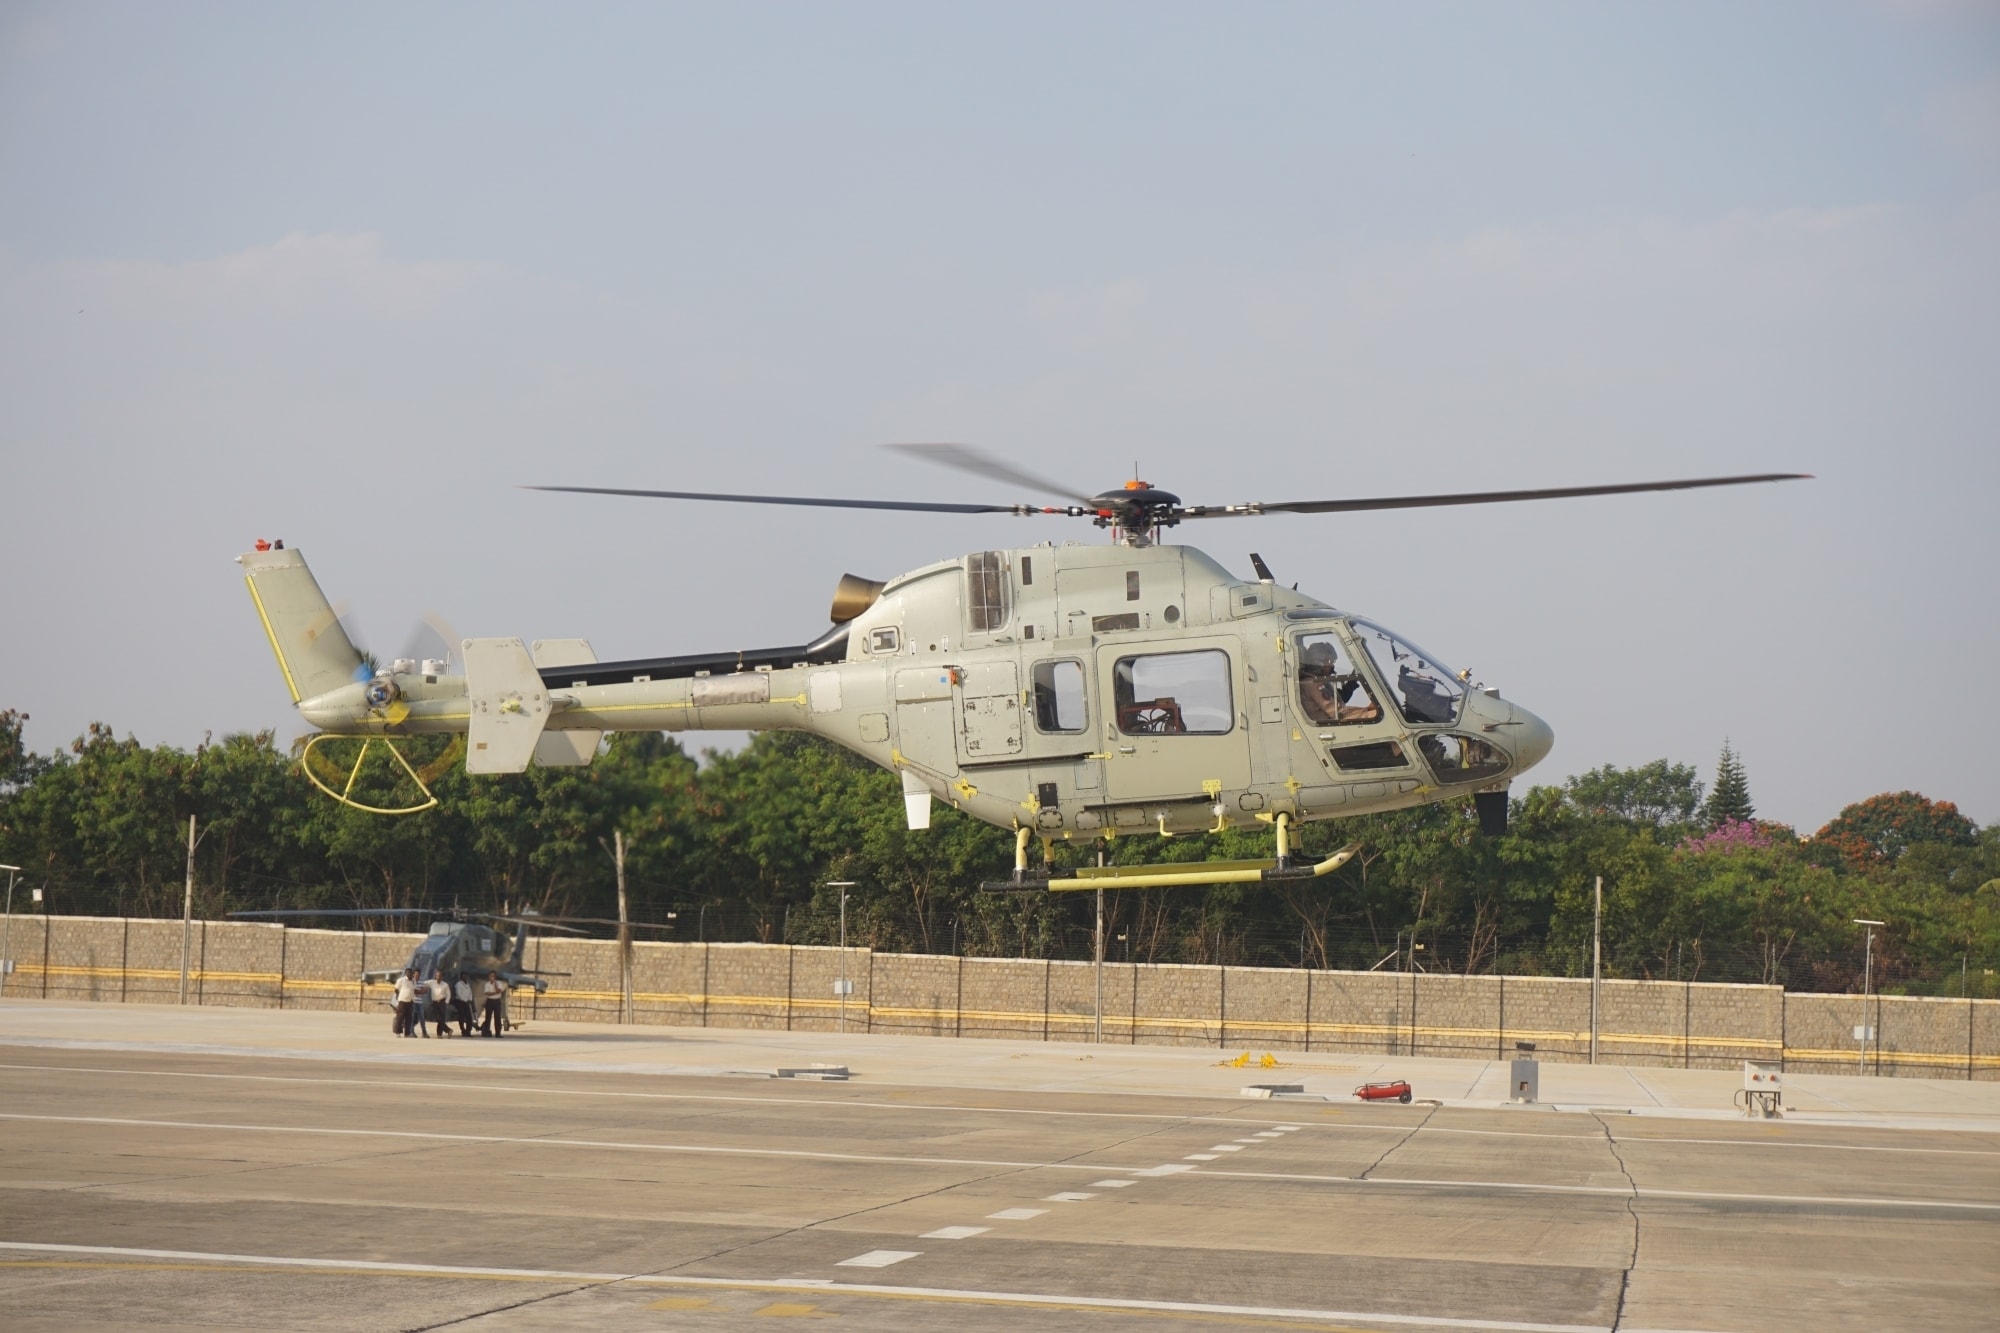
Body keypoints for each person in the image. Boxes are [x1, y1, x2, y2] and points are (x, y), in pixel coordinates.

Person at [392, 968, 418, 1038]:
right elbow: (396, 989)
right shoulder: (401, 980)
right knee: (400, 1017)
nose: (409, 974)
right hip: (402, 1001)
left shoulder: (413, 981)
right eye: (407, 973)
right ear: (406, 973)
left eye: (410, 973)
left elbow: (414, 990)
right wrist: (398, 996)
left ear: (412, 974)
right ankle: (398, 1032)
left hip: (410, 1001)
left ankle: (407, 1033)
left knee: (409, 1018)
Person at [480, 972, 508, 1038]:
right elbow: (487, 993)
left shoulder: (499, 983)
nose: (492, 977)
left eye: (493, 976)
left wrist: (495, 984)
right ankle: (486, 1032)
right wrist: (495, 993)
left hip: (497, 1001)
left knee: (497, 1017)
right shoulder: (487, 984)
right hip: (490, 1001)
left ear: (495, 977)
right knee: (488, 1017)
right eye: (490, 976)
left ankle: (498, 1033)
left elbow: (498, 990)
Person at [428, 971, 453, 1038]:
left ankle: (439, 1034)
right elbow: (424, 984)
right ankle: (448, 1030)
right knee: (438, 1019)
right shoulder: (431, 982)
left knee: (441, 1019)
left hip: (442, 1002)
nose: (438, 977)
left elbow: (448, 994)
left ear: (442, 977)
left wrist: (446, 1002)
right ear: (435, 976)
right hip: (435, 1003)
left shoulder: (445, 985)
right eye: (437, 976)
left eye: (439, 976)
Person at [452, 972, 476, 1037]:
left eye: (466, 976)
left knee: (469, 1017)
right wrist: (465, 1000)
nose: (465, 977)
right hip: (460, 1002)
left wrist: (470, 999)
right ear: (461, 977)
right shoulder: (458, 984)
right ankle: (463, 1030)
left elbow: (470, 993)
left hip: (467, 1002)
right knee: (461, 1017)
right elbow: (459, 994)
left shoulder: (468, 984)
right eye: (463, 976)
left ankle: (468, 1031)